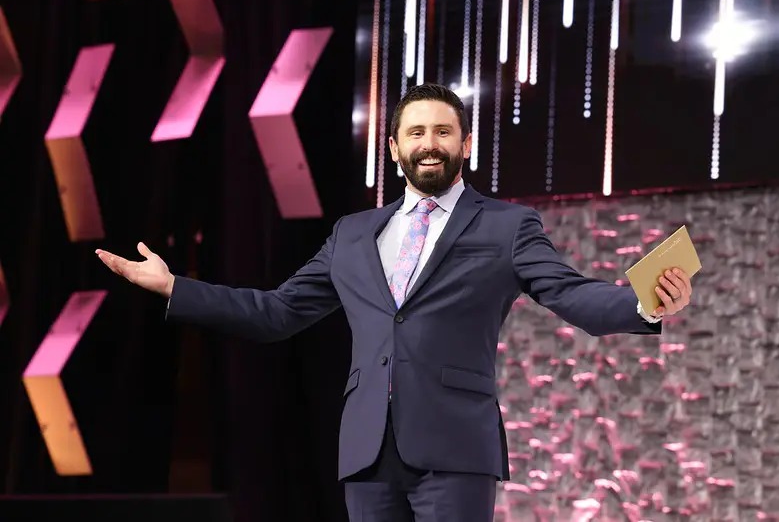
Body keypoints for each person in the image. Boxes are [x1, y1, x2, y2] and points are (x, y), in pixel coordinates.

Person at [96, 83, 692, 522]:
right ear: (393, 147)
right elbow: (276, 313)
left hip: (454, 447)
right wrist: (177, 287)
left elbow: (569, 293)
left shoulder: (508, 226)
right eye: (416, 132)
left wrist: (643, 303)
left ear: (465, 145)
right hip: (366, 449)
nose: (429, 144)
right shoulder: (353, 234)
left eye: (442, 132)